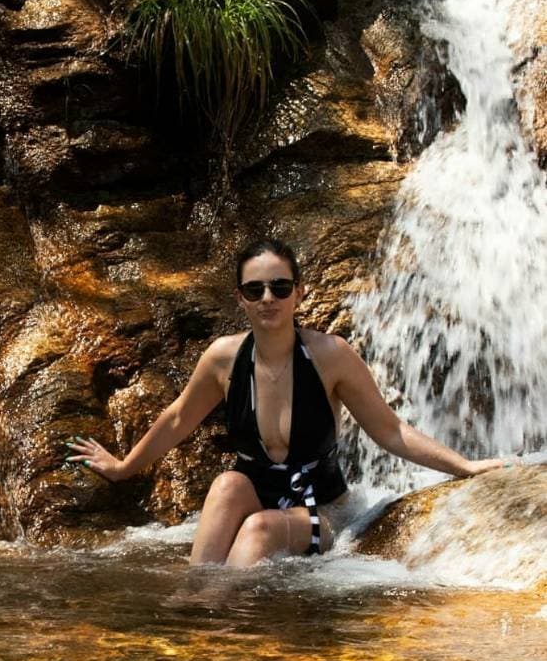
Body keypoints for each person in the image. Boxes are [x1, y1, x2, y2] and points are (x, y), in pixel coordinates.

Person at [66, 237, 508, 566]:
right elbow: (179, 416)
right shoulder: (223, 358)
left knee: (258, 530)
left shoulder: (330, 356)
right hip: (258, 494)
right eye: (255, 289)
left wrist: (464, 466)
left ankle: (219, 628)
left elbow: (390, 430)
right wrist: (124, 468)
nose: (268, 298)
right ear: (240, 297)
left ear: (299, 292)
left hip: (323, 508)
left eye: (279, 287)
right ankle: (196, 608)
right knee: (226, 485)